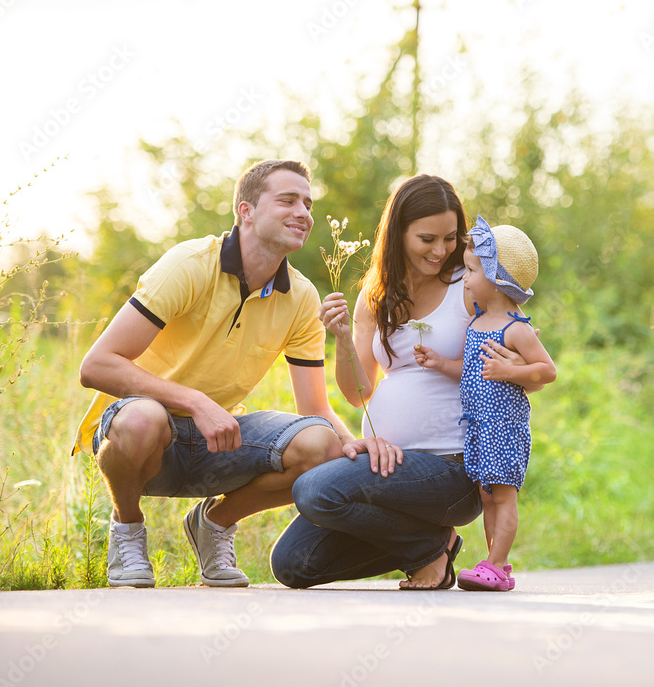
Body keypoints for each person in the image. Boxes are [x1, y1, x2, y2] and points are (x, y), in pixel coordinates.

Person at [72, 159, 363, 588]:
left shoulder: (301, 296)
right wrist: (195, 401)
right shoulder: (189, 264)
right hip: (144, 438)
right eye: (288, 200)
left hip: (216, 440)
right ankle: (128, 528)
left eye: (308, 202)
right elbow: (96, 365)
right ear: (246, 211)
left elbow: (315, 408)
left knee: (324, 446)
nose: (304, 212)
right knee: (142, 418)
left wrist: (353, 444)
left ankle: (214, 522)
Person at [270, 174, 534, 589]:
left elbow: (519, 349)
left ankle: (425, 552)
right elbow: (359, 394)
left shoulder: (468, 286)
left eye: (450, 239)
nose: (441, 250)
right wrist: (340, 338)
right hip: (389, 463)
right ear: (398, 233)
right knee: (293, 564)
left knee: (314, 491)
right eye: (427, 238)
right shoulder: (376, 296)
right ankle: (432, 545)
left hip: (454, 469)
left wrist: (513, 365)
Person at [414, 216, 556, 591]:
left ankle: (497, 563)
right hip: (479, 427)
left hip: (504, 427)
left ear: (496, 278)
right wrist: (440, 363)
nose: (465, 277)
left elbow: (547, 370)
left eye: (472, 270)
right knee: (487, 496)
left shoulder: (516, 328)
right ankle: (495, 566)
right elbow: (473, 371)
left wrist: (511, 373)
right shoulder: (477, 323)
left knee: (503, 497)